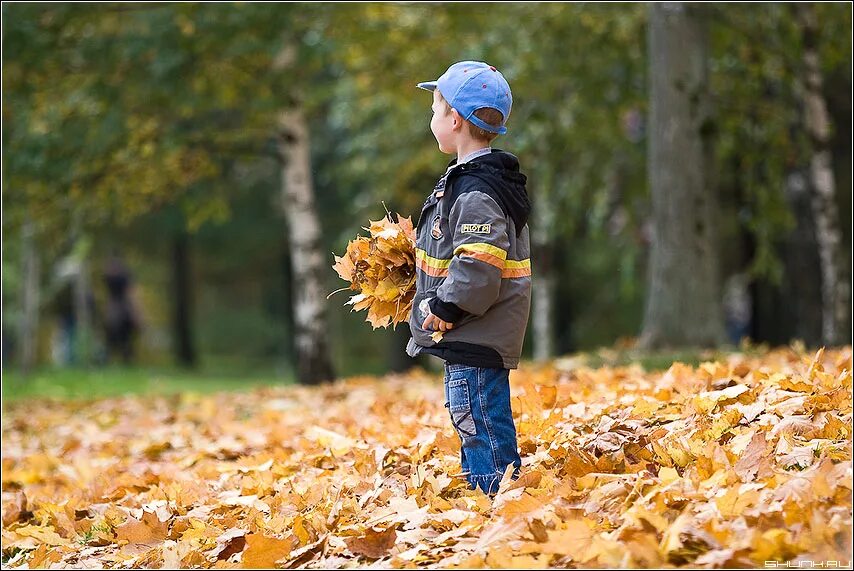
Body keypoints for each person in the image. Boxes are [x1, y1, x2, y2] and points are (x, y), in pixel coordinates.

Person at [407, 61, 532, 497]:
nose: (433, 119)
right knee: (472, 417)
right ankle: (483, 493)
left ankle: (497, 499)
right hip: (471, 328)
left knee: (478, 417)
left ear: (455, 120)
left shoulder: (477, 190)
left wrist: (445, 306)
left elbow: (478, 264)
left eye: (435, 109)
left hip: (473, 326)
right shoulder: (470, 182)